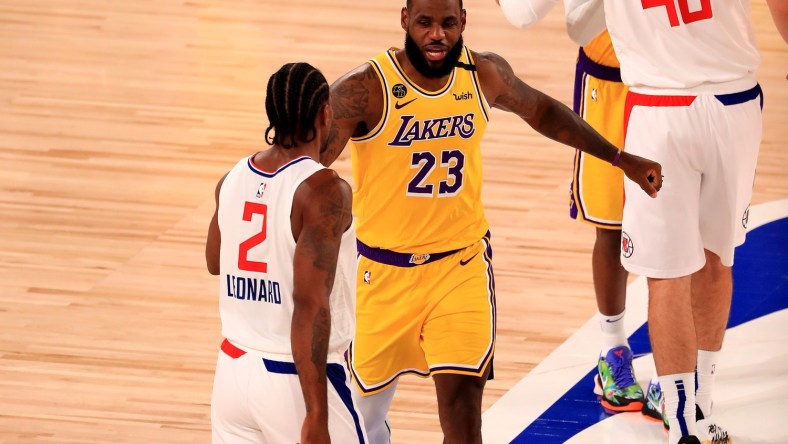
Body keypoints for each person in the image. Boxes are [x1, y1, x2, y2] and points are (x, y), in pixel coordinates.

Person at [320, 0, 662, 442]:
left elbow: (543, 112)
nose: (437, 35)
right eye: (425, 23)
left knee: (463, 414)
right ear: (405, 21)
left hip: (458, 269)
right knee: (362, 423)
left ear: (463, 21)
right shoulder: (365, 88)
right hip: (381, 273)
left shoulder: (483, 74)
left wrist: (620, 157)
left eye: (447, 23)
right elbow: (308, 163)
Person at [569, 1, 764, 443]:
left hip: (660, 104)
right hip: (734, 99)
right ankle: (701, 405)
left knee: (667, 276)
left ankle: (682, 428)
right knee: (718, 259)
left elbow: (571, 24)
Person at [497, 0, 652, 417]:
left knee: (677, 230)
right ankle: (612, 349)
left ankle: (679, 372)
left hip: (673, 84)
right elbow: (528, 15)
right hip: (610, 84)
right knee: (612, 228)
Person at [205, 62, 367, 444]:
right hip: (292, 378)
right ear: (326, 113)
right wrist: (315, 414)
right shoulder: (324, 189)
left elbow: (215, 262)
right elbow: (311, 305)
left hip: (231, 371)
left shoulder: (232, 178)